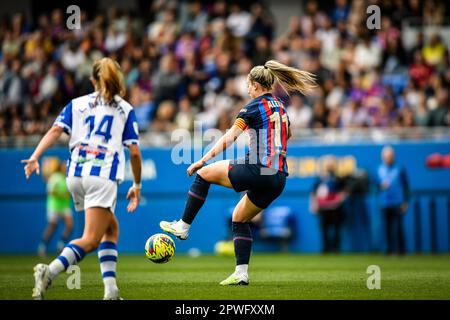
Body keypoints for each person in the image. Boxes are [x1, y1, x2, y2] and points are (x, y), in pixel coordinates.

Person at [160, 60, 316, 285]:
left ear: (255, 85)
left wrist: (201, 160)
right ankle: (241, 274)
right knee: (239, 218)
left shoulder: (253, 106)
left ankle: (183, 226)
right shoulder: (281, 106)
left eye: (248, 85)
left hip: (259, 167)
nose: (247, 89)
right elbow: (288, 134)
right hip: (278, 177)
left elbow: (230, 137)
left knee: (203, 174)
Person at [22, 57, 142, 300]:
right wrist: (137, 184)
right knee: (90, 239)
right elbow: (135, 151)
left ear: (92, 80)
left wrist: (35, 156)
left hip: (75, 173)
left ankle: (111, 290)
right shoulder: (125, 109)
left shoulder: (76, 104)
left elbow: (56, 130)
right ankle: (49, 271)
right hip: (102, 174)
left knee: (111, 227)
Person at [310, 156, 347, 253]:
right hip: (323, 209)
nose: (330, 166)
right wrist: (313, 205)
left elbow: (344, 192)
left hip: (336, 209)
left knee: (336, 230)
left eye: (332, 164)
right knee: (324, 230)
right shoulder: (320, 179)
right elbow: (313, 193)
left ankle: (336, 250)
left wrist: (338, 200)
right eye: (328, 164)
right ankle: (325, 250)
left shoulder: (339, 179)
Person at [377, 146, 410, 255]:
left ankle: (402, 251)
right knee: (387, 228)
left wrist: (405, 201)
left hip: (398, 202)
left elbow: (406, 186)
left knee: (399, 228)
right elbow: (375, 186)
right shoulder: (379, 169)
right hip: (385, 202)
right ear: (382, 157)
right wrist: (380, 186)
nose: (388, 158)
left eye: (390, 156)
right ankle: (389, 250)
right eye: (386, 156)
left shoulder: (400, 168)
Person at [38, 157, 73, 257]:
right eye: (64, 167)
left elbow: (70, 193)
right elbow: (50, 192)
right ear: (60, 168)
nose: (66, 169)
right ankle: (42, 247)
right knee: (52, 226)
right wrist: (63, 195)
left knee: (70, 225)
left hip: (64, 206)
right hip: (54, 206)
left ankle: (61, 246)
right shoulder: (55, 177)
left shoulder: (68, 178)